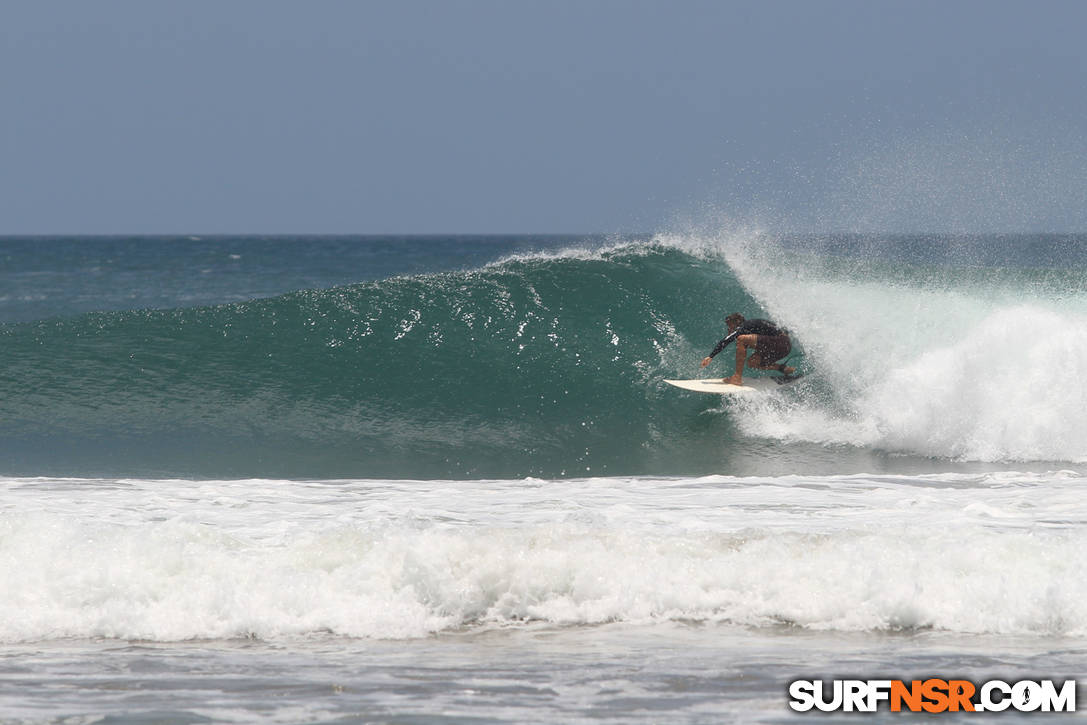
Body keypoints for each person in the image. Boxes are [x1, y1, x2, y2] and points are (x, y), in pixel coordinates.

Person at [700, 313, 796, 386]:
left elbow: (727, 340)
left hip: (779, 342)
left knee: (741, 339)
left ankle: (737, 377)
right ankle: (782, 368)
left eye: (730, 325)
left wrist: (710, 356)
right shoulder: (753, 326)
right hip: (784, 347)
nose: (729, 328)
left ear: (737, 322)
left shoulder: (744, 326)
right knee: (752, 362)